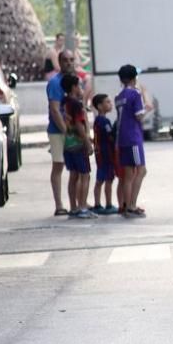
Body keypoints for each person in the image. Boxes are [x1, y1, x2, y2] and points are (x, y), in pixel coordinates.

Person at [47, 49, 78, 216]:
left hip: (74, 130)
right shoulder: (54, 83)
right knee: (58, 165)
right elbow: (55, 109)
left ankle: (78, 202)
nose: (69, 63)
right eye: (65, 60)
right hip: (58, 131)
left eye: (72, 60)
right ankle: (59, 204)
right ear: (59, 62)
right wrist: (66, 131)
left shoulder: (74, 81)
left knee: (77, 167)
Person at [115, 64, 147, 218]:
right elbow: (139, 116)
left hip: (122, 139)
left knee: (128, 174)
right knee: (141, 170)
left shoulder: (119, 96)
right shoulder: (135, 94)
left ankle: (127, 205)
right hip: (134, 137)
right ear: (134, 78)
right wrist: (147, 104)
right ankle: (132, 205)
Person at [61, 74, 95, 219]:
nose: (82, 88)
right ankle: (82, 207)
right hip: (78, 144)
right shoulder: (76, 105)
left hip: (67, 144)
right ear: (74, 87)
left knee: (73, 175)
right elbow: (80, 126)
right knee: (85, 175)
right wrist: (87, 142)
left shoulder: (64, 102)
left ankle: (74, 207)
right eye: (80, 86)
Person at [91, 94, 118, 215]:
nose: (110, 104)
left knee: (101, 179)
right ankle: (108, 204)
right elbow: (110, 136)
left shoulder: (98, 120)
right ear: (100, 106)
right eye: (107, 102)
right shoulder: (104, 121)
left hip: (100, 154)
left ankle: (98, 204)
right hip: (106, 154)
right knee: (107, 179)